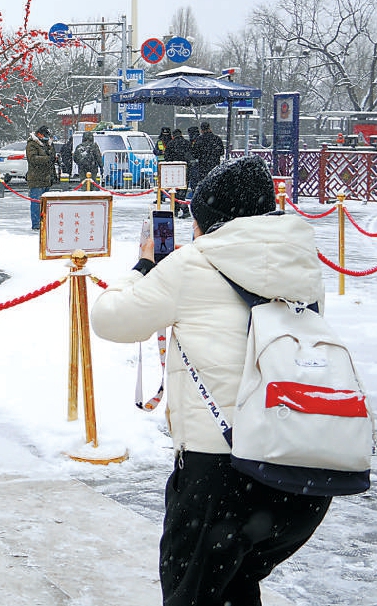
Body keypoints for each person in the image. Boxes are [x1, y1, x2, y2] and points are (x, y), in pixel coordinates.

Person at [89, 157, 332, 606]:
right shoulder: (302, 263)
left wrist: (142, 267)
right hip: (295, 463)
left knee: (193, 591)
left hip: (218, 468)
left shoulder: (191, 264)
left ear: (210, 220)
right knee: (237, 584)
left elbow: (112, 320)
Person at [25, 124, 57, 230]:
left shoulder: (48, 144)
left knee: (45, 203)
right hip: (36, 178)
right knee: (36, 202)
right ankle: (36, 224)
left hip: (46, 178)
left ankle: (44, 222)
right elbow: (33, 159)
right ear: (39, 134)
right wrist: (48, 158)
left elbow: (52, 157)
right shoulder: (32, 144)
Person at [164, 128, 192, 218]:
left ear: (173, 136)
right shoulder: (187, 143)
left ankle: (177, 210)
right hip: (185, 169)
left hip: (174, 170)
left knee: (174, 190)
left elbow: (167, 157)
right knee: (182, 191)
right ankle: (181, 209)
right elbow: (191, 156)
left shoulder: (170, 144)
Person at [191, 121, 225, 189]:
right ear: (210, 128)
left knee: (204, 186)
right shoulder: (217, 139)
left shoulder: (199, 140)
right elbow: (222, 152)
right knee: (214, 185)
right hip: (215, 167)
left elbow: (194, 154)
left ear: (201, 130)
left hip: (203, 168)